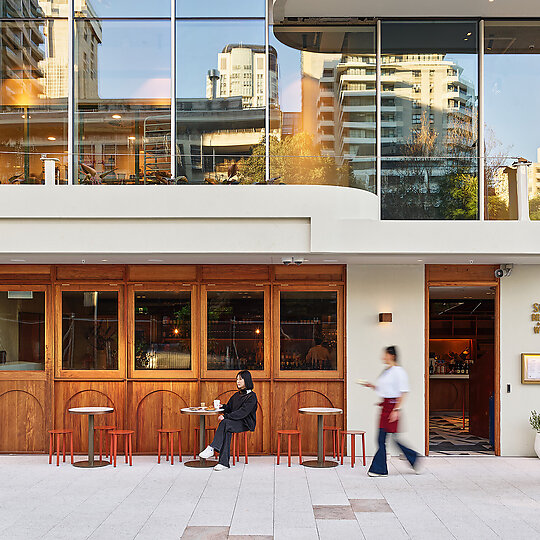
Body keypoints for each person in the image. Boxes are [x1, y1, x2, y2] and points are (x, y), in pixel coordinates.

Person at [362, 346, 422, 477]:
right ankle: (413, 458)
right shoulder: (386, 371)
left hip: (392, 407)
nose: (383, 357)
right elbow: (385, 390)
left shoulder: (398, 371)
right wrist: (372, 386)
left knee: (383, 438)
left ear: (392, 355)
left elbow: (403, 391)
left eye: (385, 354)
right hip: (386, 407)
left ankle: (380, 469)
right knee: (387, 438)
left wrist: (396, 410)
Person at [199, 370, 257, 471]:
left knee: (225, 423)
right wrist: (223, 407)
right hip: (233, 422)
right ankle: (223, 463)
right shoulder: (236, 395)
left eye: (240, 379)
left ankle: (213, 448)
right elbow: (230, 407)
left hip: (245, 423)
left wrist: (226, 416)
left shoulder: (252, 396)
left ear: (246, 380)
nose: (238, 381)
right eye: (237, 379)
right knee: (227, 429)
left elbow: (243, 412)